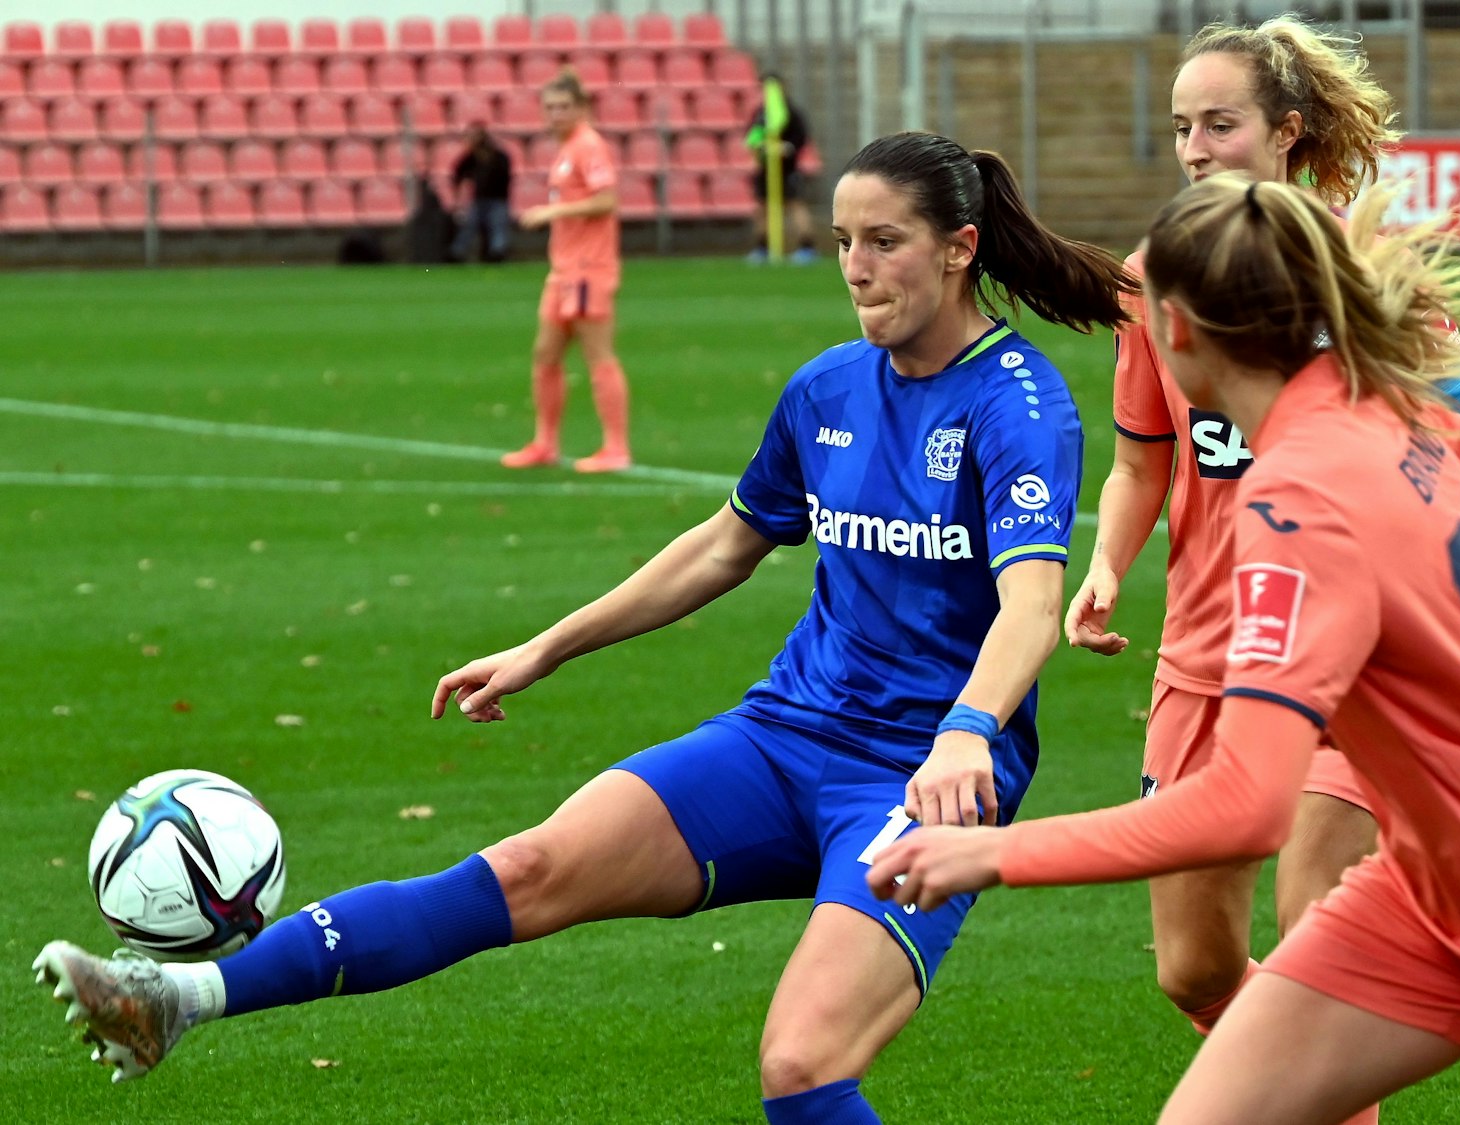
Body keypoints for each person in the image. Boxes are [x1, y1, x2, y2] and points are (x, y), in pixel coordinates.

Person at [32, 131, 1137, 1125]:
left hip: (917, 777)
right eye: (843, 239)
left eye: (883, 242)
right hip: (782, 736)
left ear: (958, 248)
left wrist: (964, 735)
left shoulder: (1018, 405)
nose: (853, 266)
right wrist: (549, 643)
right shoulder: (826, 389)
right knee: (525, 868)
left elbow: (1030, 604)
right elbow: (723, 545)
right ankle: (175, 996)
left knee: (802, 1068)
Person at [868, 176, 1460, 1125]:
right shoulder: (1393, 410)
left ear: (1182, 335)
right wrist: (1407, 650)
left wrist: (996, 853)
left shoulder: (1294, 497)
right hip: (1423, 893)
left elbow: (1245, 807)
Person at [1065, 15, 1460, 1069]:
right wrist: (1107, 567)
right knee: (1194, 971)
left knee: (1318, 952)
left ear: (1287, 132)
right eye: (1181, 129)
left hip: (1346, 661)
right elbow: (1139, 461)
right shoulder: (1151, 278)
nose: (1197, 148)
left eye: (1220, 123)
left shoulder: (1362, 270)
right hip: (1205, 660)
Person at [502, 69, 631, 474]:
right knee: (545, 353)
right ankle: (546, 442)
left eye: (563, 107)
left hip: (588, 269)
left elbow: (606, 200)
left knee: (598, 354)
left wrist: (552, 211)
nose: (555, 114)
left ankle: (615, 447)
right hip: (564, 269)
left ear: (581, 108)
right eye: (550, 107)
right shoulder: (566, 150)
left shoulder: (588, 146)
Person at [745, 74, 818, 265]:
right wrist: (761, 146)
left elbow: (800, 138)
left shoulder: (791, 113)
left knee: (794, 206)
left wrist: (787, 147)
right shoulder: (761, 113)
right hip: (766, 169)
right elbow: (752, 137)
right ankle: (762, 248)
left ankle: (806, 247)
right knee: (763, 209)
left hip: (787, 169)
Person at [449, 122, 513, 263]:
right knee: (469, 227)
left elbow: (505, 176)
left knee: (497, 227)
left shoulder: (498, 156)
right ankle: (456, 253)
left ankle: (497, 253)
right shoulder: (472, 157)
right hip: (479, 199)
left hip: (498, 199)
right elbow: (457, 173)